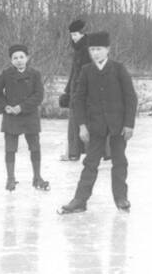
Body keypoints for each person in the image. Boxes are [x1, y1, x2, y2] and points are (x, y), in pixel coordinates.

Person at [59, 32, 138, 213]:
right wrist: (82, 125)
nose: (95, 53)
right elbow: (77, 101)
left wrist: (129, 124)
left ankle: (121, 198)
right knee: (90, 163)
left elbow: (130, 98)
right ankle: (80, 200)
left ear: (107, 50)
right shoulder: (86, 71)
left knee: (119, 162)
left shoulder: (118, 69)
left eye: (99, 49)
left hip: (118, 127)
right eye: (92, 49)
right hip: (95, 127)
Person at [0, 43, 48, 192]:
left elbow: (39, 95)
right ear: (11, 60)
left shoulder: (35, 74)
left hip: (30, 115)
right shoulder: (6, 74)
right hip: (11, 116)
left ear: (27, 58)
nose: (19, 60)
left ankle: (37, 177)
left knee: (35, 147)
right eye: (15, 58)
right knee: (10, 149)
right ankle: (10, 179)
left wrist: (22, 107)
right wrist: (5, 106)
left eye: (21, 57)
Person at [59, 18, 90, 162]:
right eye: (72, 35)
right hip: (75, 90)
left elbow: (87, 73)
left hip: (84, 92)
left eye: (76, 35)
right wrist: (67, 91)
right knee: (73, 122)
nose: (74, 38)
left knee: (84, 122)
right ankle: (73, 152)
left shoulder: (87, 49)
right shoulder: (78, 49)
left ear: (83, 34)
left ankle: (84, 153)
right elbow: (73, 72)